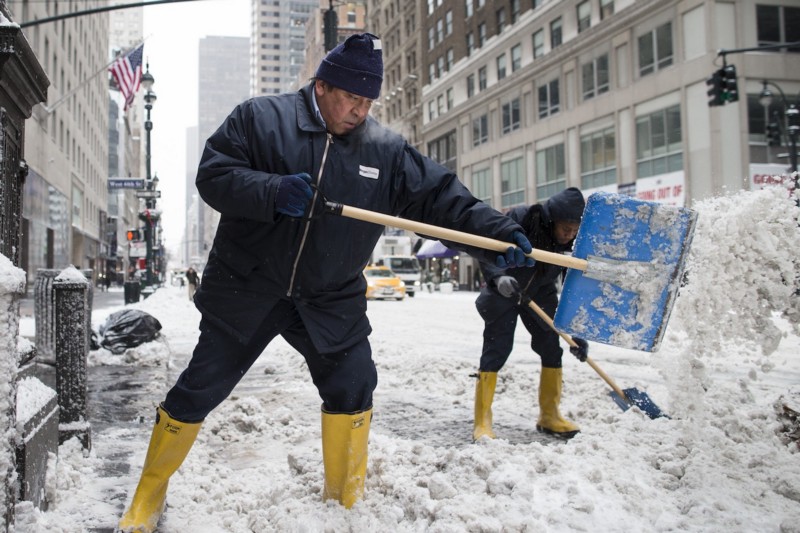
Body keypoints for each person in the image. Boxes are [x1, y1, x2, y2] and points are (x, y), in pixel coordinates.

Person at [118, 33, 535, 532]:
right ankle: (147, 497)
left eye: (368, 101)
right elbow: (214, 175)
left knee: (354, 384)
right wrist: (273, 190)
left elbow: (444, 201)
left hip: (329, 295)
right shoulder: (261, 119)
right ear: (322, 86)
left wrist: (497, 234)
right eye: (351, 98)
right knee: (199, 388)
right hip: (248, 288)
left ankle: (344, 500)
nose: (360, 110)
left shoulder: (385, 152)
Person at [472, 187, 589, 442]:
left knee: (551, 348)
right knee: (497, 349)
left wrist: (576, 331)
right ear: (552, 220)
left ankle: (550, 415)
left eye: (574, 231)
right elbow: (489, 245)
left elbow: (574, 288)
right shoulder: (523, 218)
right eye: (565, 229)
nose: (569, 236)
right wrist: (498, 276)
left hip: (539, 292)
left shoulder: (572, 244)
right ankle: (482, 421)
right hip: (505, 289)